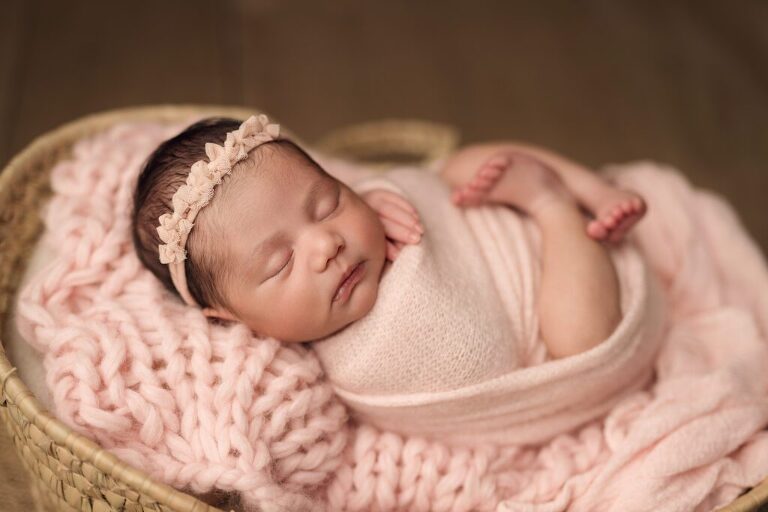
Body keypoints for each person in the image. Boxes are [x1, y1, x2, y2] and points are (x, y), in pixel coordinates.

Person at [131, 114, 646, 359]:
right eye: (280, 264)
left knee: (457, 169)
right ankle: (554, 204)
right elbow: (477, 356)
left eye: (327, 203)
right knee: (581, 340)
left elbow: (402, 184)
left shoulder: (373, 208)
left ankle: (591, 191)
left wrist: (376, 197)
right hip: (555, 310)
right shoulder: (343, 367)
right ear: (232, 319)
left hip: (495, 227)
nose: (325, 244)